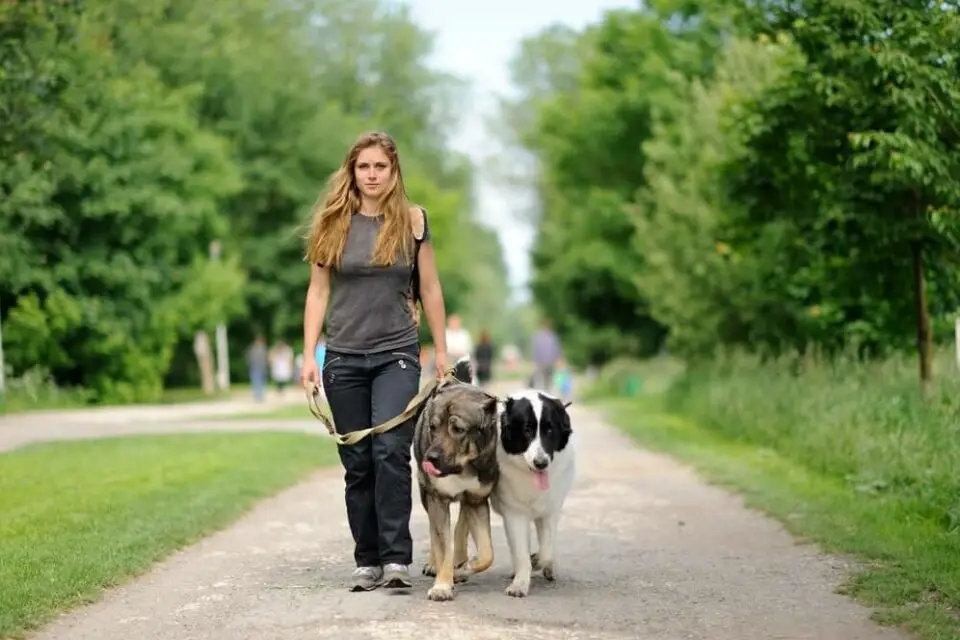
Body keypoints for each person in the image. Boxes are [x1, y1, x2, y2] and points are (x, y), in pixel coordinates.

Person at [299, 131, 449, 592]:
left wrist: (441, 350)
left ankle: (396, 559)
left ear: (393, 170)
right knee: (358, 460)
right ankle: (367, 559)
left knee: (389, 452)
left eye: (379, 167)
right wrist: (308, 355)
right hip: (342, 356)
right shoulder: (332, 223)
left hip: (396, 355)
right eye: (363, 166)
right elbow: (318, 291)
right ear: (352, 170)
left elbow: (431, 289)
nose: (371, 175)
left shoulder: (413, 221)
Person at [530, 318, 562, 392]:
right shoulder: (537, 337)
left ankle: (547, 392)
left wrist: (558, 359)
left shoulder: (553, 336)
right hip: (541, 361)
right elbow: (535, 350)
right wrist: (534, 361)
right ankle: (542, 392)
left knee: (549, 378)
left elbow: (556, 348)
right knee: (540, 378)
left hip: (550, 361)